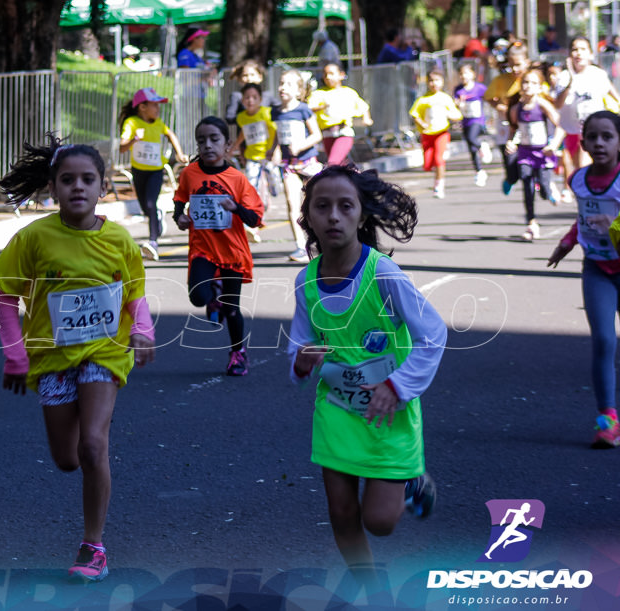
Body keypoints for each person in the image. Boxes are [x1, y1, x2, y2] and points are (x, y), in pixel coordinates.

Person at [0, 137, 155, 582]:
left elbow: (135, 294)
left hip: (104, 353)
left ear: (103, 187)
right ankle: (85, 443)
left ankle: (93, 546)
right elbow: (7, 299)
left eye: (87, 180)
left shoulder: (119, 239)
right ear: (52, 188)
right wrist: (14, 355)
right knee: (67, 459)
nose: (77, 188)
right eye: (67, 180)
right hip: (52, 357)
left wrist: (143, 332)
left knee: (93, 445)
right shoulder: (32, 238)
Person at [288, 164, 445, 581]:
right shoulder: (306, 281)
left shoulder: (384, 274)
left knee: (380, 522)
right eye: (322, 207)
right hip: (338, 408)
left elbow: (432, 334)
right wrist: (300, 361)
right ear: (307, 218)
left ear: (361, 215)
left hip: (387, 408)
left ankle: (413, 482)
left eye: (345, 206)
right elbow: (299, 341)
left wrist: (398, 386)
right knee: (341, 513)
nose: (334, 216)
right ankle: (369, 588)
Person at [548, 111, 620, 448]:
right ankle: (607, 419)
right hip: (597, 269)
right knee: (604, 341)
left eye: (607, 136)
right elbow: (584, 218)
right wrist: (567, 242)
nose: (599, 143)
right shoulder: (577, 180)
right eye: (592, 137)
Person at [174, 116, 264, 377]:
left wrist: (235, 207)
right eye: (201, 140)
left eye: (214, 139)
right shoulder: (190, 173)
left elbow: (256, 218)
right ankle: (211, 295)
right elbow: (180, 199)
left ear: (227, 145)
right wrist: (179, 216)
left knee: (232, 308)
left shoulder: (237, 179)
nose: (207, 145)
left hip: (232, 252)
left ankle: (238, 353)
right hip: (203, 248)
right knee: (197, 297)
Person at [118, 87, 187, 261]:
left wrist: (178, 153)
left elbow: (171, 135)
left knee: (150, 203)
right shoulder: (132, 123)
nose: (158, 109)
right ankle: (156, 218)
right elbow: (122, 147)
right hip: (139, 170)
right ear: (142, 107)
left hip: (156, 170)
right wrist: (134, 139)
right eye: (154, 105)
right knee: (146, 208)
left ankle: (153, 242)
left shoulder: (159, 123)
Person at [554, 36, 620, 202]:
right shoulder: (563, 76)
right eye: (575, 49)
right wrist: (570, 81)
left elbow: (611, 92)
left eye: (583, 49)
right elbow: (557, 104)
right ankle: (579, 198)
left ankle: (593, 200)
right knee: (575, 168)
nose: (579, 53)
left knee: (585, 166)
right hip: (570, 129)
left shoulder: (597, 74)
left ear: (590, 54)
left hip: (592, 129)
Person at [506, 68, 564, 241]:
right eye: (525, 82)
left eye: (533, 83)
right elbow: (513, 129)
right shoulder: (517, 108)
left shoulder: (543, 105)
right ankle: (531, 223)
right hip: (525, 152)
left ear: (540, 87)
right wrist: (511, 142)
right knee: (526, 182)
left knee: (544, 192)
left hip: (543, 152)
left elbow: (561, 126)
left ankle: (549, 187)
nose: (528, 86)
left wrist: (553, 145)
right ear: (521, 86)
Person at [272, 69, 323, 263]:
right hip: (289, 165)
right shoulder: (276, 111)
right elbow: (279, 135)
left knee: (312, 205)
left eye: (288, 84)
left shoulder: (303, 109)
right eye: (281, 83)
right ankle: (300, 246)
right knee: (292, 204)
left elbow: (316, 135)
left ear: (299, 90)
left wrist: (301, 145)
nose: (282, 87)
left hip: (308, 164)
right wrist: (275, 150)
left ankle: (320, 241)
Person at [226, 83, 278, 237]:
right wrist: (235, 147)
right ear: (242, 101)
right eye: (247, 98)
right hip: (252, 157)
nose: (250, 101)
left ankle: (268, 197)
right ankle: (257, 216)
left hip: (267, 156)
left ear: (260, 99)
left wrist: (275, 150)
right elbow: (244, 133)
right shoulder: (241, 118)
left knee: (275, 186)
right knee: (252, 187)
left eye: (254, 97)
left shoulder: (266, 113)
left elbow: (275, 132)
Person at [484, 40, 534, 195]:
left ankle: (538, 183)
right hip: (506, 126)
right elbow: (488, 97)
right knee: (511, 164)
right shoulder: (501, 80)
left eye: (518, 64)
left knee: (528, 164)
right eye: (511, 64)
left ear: (527, 62)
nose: (514, 68)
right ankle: (510, 179)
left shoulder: (531, 79)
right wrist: (499, 106)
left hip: (527, 127)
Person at [409, 69, 463, 199]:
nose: (434, 83)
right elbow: (414, 114)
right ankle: (436, 176)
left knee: (439, 159)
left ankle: (439, 185)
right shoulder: (422, 100)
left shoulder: (445, 98)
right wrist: (422, 123)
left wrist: (451, 115)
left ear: (442, 82)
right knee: (428, 164)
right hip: (427, 134)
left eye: (437, 80)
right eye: (431, 81)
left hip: (441, 133)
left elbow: (457, 115)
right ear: (427, 83)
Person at [308, 63, 373, 166]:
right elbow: (309, 108)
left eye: (331, 74)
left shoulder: (348, 93)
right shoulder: (319, 94)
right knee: (339, 166)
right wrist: (321, 107)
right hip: (327, 134)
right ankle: (354, 178)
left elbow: (363, 106)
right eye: (325, 74)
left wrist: (366, 118)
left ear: (341, 75)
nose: (328, 77)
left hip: (343, 133)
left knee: (333, 163)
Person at [454, 63, 492, 187]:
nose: (464, 76)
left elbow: (488, 98)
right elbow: (455, 103)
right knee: (471, 148)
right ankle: (479, 171)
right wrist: (459, 103)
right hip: (465, 121)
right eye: (461, 74)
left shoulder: (479, 88)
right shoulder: (458, 89)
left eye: (466, 73)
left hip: (477, 120)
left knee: (472, 138)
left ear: (473, 74)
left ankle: (482, 146)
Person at [224, 59, 276, 124]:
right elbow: (229, 117)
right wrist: (247, 117)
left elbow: (279, 110)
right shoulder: (237, 96)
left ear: (260, 77)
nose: (249, 78)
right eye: (245, 75)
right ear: (239, 78)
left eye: (252, 75)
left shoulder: (267, 96)